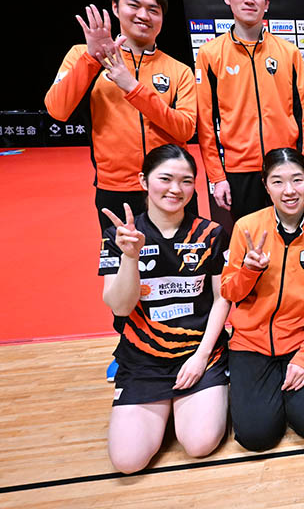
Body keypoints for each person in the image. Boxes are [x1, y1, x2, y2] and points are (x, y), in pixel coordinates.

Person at [98, 144, 230, 474]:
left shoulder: (210, 233)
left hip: (200, 354)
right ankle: (165, 406)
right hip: (143, 360)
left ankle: (191, 404)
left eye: (186, 181)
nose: (176, 189)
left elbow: (221, 299)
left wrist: (201, 357)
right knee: (128, 462)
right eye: (166, 179)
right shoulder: (119, 236)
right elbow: (121, 307)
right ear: (144, 181)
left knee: (199, 444)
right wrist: (130, 257)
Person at [45, 0, 197, 234]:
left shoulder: (179, 70)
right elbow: (57, 110)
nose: (143, 15)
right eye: (134, 5)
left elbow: (185, 129)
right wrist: (93, 59)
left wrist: (133, 88)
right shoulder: (82, 55)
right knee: (121, 260)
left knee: (180, 261)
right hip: (115, 189)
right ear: (115, 7)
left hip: (172, 187)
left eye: (153, 9)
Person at [220, 148, 304, 452]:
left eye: (297, 180)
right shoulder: (246, 227)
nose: (289, 190)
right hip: (250, 342)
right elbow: (229, 292)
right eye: (277, 181)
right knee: (256, 436)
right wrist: (249, 270)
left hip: (302, 339)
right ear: (265, 186)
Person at [196, 0, 304, 222]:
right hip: (240, 171)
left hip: (285, 166)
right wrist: (217, 176)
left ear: (266, 3)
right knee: (250, 240)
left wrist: (303, 170)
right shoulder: (210, 54)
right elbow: (206, 123)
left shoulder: (289, 53)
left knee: (291, 237)